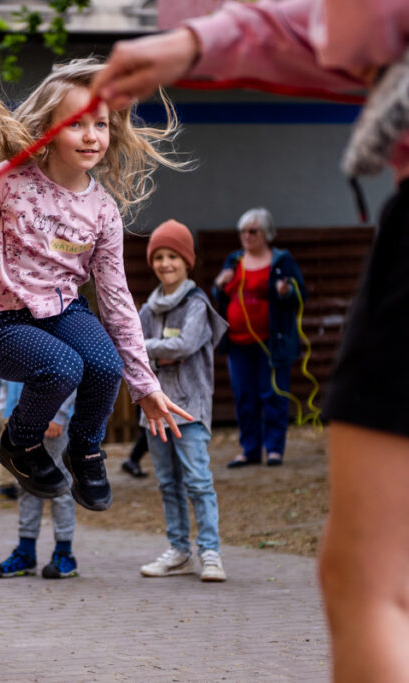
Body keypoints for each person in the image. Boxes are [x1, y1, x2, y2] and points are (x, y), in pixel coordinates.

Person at [93, 2, 409, 678]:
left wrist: (198, 40)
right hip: (204, 380)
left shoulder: (230, 285)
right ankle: (185, 544)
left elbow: (353, 30)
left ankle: (210, 543)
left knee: (370, 581)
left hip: (232, 379)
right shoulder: (216, 278)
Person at [0, 59, 192, 512]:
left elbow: (117, 299)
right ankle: (20, 445)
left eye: (100, 124)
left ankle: (85, 451)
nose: (91, 136)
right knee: (63, 368)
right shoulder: (6, 183)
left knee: (103, 365)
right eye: (75, 124)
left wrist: (144, 385)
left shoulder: (102, 211)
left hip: (63, 313)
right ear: (46, 128)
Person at [138, 219, 229, 582]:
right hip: (155, 412)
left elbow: (185, 345)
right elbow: (136, 358)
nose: (165, 264)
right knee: (167, 483)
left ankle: (211, 553)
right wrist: (157, 354)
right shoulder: (146, 310)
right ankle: (178, 550)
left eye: (172, 256)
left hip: (190, 409)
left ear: (186, 261)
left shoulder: (197, 304)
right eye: (158, 257)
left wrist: (147, 350)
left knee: (198, 482)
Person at [212, 208, 305, 468]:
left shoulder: (282, 261)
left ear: (267, 233)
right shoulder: (234, 260)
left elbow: (300, 295)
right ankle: (250, 450)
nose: (247, 236)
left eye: (253, 231)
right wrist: (219, 283)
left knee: (273, 394)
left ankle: (274, 449)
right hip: (238, 345)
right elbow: (218, 293)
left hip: (271, 343)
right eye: (243, 231)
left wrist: (285, 292)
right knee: (244, 397)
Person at [0, 368, 79, 580]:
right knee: (26, 482)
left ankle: (65, 553)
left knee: (60, 485)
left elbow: (71, 366)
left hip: (53, 416)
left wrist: (59, 412)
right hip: (17, 414)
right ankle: (26, 553)